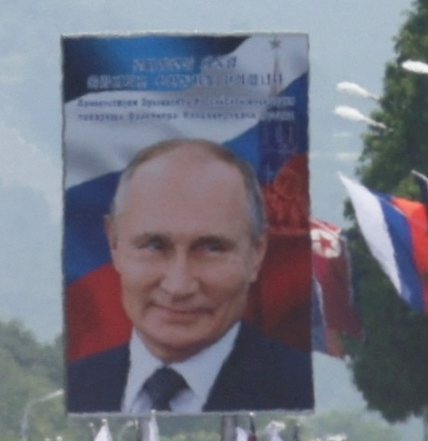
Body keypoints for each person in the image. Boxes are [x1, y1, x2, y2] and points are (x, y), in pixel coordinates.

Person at [66, 137, 311, 414]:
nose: (178, 286)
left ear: (256, 253)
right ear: (114, 243)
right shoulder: (71, 390)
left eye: (211, 248)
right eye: (154, 246)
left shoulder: (299, 394)